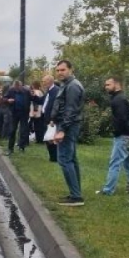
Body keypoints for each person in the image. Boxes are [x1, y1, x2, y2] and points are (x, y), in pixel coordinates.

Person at [50, 60, 85, 207]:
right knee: (71, 159)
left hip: (68, 126)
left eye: (63, 70)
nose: (60, 73)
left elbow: (71, 110)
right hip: (68, 124)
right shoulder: (67, 84)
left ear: (70, 69)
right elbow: (63, 106)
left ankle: (76, 197)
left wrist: (62, 130)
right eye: (58, 70)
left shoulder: (73, 86)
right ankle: (75, 193)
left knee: (65, 159)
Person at [97, 77, 129, 195]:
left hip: (124, 136)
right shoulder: (124, 98)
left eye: (108, 85)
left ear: (117, 84)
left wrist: (117, 132)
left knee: (115, 163)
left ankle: (108, 190)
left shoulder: (118, 100)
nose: (106, 87)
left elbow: (121, 119)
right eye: (105, 85)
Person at [4, 80, 31, 155]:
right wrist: (8, 100)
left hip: (24, 113)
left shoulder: (26, 91)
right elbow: (4, 98)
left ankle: (22, 147)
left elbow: (32, 98)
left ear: (21, 86)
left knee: (23, 131)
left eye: (18, 87)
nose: (17, 89)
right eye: (15, 87)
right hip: (14, 113)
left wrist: (35, 96)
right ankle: (10, 149)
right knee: (12, 130)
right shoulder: (11, 90)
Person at [38, 75, 59, 162]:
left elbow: (56, 106)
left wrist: (53, 119)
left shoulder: (56, 90)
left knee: (51, 138)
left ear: (50, 81)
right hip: (45, 117)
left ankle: (54, 158)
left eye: (44, 81)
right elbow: (42, 100)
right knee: (48, 138)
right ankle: (52, 157)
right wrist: (32, 96)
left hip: (51, 119)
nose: (43, 83)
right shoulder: (48, 91)